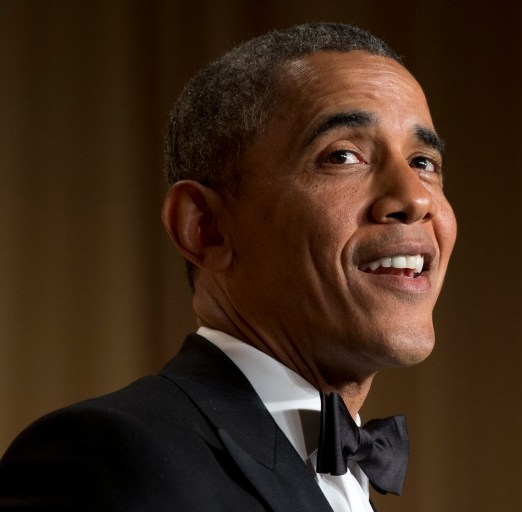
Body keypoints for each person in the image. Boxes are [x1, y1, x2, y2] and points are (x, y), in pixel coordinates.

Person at [0, 22, 456, 511]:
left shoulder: (343, 474)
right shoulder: (102, 459)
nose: (414, 198)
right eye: (343, 155)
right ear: (206, 228)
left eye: (424, 162)